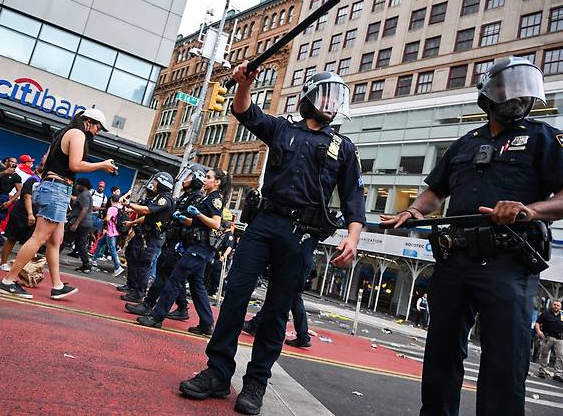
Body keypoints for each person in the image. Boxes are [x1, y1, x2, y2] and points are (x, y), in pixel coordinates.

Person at [379, 56, 563, 415]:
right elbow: (435, 191)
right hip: (455, 260)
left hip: (509, 264)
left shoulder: (544, 138)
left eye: (524, 91)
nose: (517, 98)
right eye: (509, 89)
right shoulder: (464, 144)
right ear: (488, 92)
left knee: (504, 365)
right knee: (441, 356)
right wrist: (415, 210)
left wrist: (530, 210)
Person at [179, 65, 365, 415]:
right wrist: (245, 84)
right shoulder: (282, 129)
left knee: (277, 311)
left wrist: (352, 238)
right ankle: (217, 373)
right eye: (326, 95)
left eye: (337, 98)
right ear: (309, 97)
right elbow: (244, 112)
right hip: (264, 224)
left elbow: (355, 199)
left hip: (301, 236)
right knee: (235, 296)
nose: (332, 103)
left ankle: (256, 383)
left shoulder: (344, 148)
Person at [0, 108, 117, 299]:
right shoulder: (77, 133)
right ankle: (7, 281)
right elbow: (76, 165)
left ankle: (58, 285)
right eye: (98, 127)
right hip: (57, 188)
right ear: (88, 122)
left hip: (56, 187)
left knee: (55, 241)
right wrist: (102, 165)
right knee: (39, 237)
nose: (97, 132)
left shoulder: (63, 134)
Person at [136, 168, 229, 335]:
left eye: (208, 177)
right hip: (197, 246)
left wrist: (199, 215)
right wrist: (183, 219)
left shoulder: (215, 200)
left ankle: (157, 317)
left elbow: (215, 223)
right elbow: (195, 223)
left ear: (217, 182)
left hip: (200, 248)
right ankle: (207, 324)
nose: (205, 180)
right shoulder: (207, 197)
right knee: (196, 285)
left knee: (175, 279)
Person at [124, 165, 205, 320]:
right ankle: (183, 309)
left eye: (189, 177)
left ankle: (149, 305)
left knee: (163, 273)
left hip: (180, 243)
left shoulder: (196, 199)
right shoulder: (185, 196)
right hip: (172, 239)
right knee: (174, 276)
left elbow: (192, 221)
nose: (185, 180)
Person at [119, 172, 175, 303]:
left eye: (155, 181)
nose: (153, 184)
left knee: (144, 264)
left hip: (155, 237)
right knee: (136, 259)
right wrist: (132, 221)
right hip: (147, 235)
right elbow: (147, 216)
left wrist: (129, 205)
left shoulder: (164, 199)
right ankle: (134, 288)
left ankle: (139, 293)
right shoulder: (158, 198)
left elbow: (146, 211)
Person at [0, 163, 43, 271]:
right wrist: (30, 214)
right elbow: (27, 197)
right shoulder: (32, 181)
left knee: (29, 243)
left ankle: (21, 265)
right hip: (21, 214)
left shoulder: (42, 183)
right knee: (12, 239)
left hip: (34, 215)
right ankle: (3, 263)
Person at [61, 177, 93, 273]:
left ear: (83, 185)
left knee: (63, 239)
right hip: (85, 223)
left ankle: (50, 258)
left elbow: (84, 209)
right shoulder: (87, 194)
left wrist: (76, 224)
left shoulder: (84, 195)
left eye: (78, 184)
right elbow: (78, 210)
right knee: (81, 244)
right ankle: (86, 265)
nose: (77, 186)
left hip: (79, 223)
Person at [535, 299, 563, 382]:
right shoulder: (546, 313)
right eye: (554, 304)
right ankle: (542, 371)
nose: (556, 306)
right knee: (544, 354)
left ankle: (558, 374)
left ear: (560, 306)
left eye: (558, 305)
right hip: (547, 337)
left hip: (559, 339)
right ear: (552, 305)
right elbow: (537, 323)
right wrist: (538, 331)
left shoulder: (562, 314)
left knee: (561, 356)